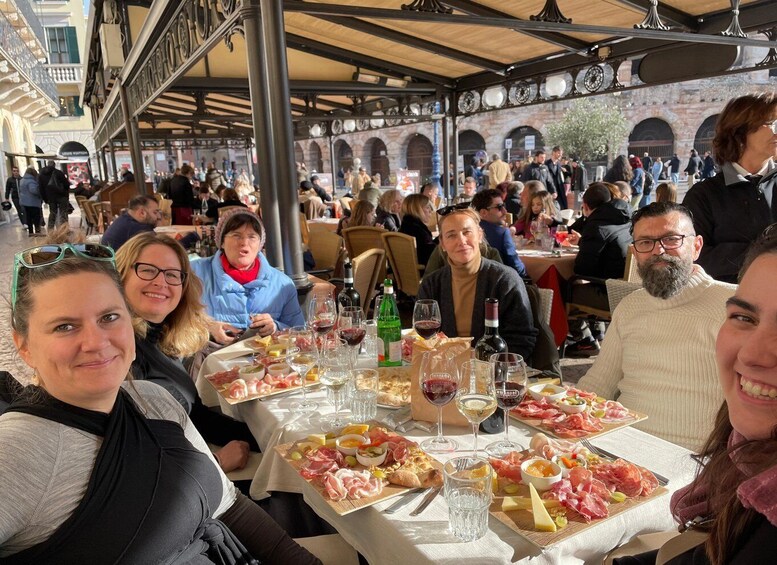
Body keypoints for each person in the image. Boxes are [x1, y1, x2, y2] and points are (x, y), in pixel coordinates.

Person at [0, 239, 319, 563]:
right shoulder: (18, 450)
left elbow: (230, 505)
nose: (96, 342)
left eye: (109, 317)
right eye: (64, 326)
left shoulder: (154, 400)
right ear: (24, 345)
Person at [618, 228, 777, 564]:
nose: (751, 355)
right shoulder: (737, 457)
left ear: (697, 245)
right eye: (744, 317)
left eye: (671, 239)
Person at [578, 202, 736, 450]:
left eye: (671, 240)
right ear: (635, 251)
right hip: (616, 447)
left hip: (696, 460)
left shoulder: (733, 308)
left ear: (696, 247)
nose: (658, 251)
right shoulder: (630, 306)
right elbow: (598, 384)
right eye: (645, 243)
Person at [115, 232, 256, 473]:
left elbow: (195, 415)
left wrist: (264, 438)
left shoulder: (161, 337)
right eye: (147, 270)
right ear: (120, 276)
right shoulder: (118, 352)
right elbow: (133, 461)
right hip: (189, 480)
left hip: (196, 456)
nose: (161, 282)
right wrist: (217, 462)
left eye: (172, 274)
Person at [418, 207, 537, 360]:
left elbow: (522, 340)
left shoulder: (505, 280)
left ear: (480, 235)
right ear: (442, 244)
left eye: (467, 232)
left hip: (492, 374)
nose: (461, 241)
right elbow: (423, 340)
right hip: (443, 371)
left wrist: (482, 364)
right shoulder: (431, 284)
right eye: (451, 235)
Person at [683, 93, 777, 284]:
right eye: (772, 123)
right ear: (740, 132)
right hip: (728, 303)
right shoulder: (703, 196)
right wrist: (762, 254)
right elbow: (692, 256)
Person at [191, 209, 305, 342]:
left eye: (252, 237)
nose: (244, 243)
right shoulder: (195, 273)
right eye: (236, 235)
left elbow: (300, 332)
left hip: (267, 360)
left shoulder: (283, 284)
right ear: (221, 242)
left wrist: (275, 327)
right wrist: (207, 328)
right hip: (210, 358)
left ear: (260, 245)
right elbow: (172, 319)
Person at [564, 183, 631, 356]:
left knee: (562, 288)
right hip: (627, 287)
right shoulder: (625, 218)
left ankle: (584, 339)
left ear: (585, 206)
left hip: (609, 293)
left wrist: (584, 243)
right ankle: (598, 334)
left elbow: (582, 269)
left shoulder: (597, 227)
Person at [471, 189, 529, 280]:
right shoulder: (502, 233)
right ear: (483, 213)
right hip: (500, 284)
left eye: (504, 206)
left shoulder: (469, 231)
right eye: (499, 207)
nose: (505, 211)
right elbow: (515, 265)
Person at [399, 193, 436, 267]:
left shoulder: (406, 226)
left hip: (407, 273)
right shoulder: (418, 231)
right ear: (417, 209)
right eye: (428, 207)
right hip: (426, 273)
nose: (431, 210)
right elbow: (431, 256)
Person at [38, 160, 70, 230]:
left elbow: (41, 188)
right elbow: (66, 184)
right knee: (63, 213)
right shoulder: (59, 173)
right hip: (61, 196)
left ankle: (50, 230)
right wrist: (66, 194)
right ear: (54, 165)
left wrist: (45, 199)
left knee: (52, 213)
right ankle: (64, 229)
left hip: (50, 198)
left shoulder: (41, 175)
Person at [18, 167, 43, 237]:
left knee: (28, 218)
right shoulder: (31, 181)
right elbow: (34, 190)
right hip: (33, 203)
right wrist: (39, 191)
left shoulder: (22, 180)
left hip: (24, 202)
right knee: (36, 218)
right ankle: (37, 231)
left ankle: (31, 232)